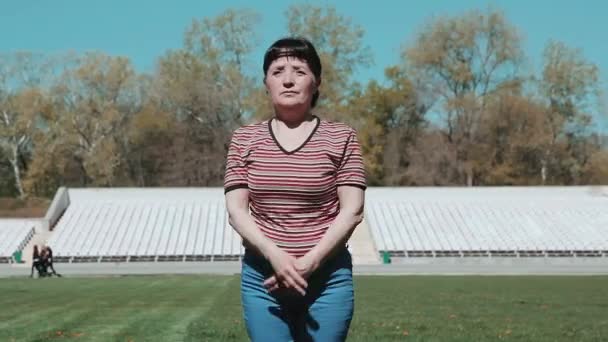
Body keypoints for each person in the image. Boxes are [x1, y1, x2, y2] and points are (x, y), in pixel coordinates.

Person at [224, 37, 366, 341]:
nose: (288, 80)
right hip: (264, 281)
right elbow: (236, 212)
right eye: (277, 71)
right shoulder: (244, 139)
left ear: (316, 82)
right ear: (266, 82)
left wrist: (310, 262)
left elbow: (352, 210)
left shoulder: (341, 137)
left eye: (299, 71)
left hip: (327, 281)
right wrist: (276, 257)